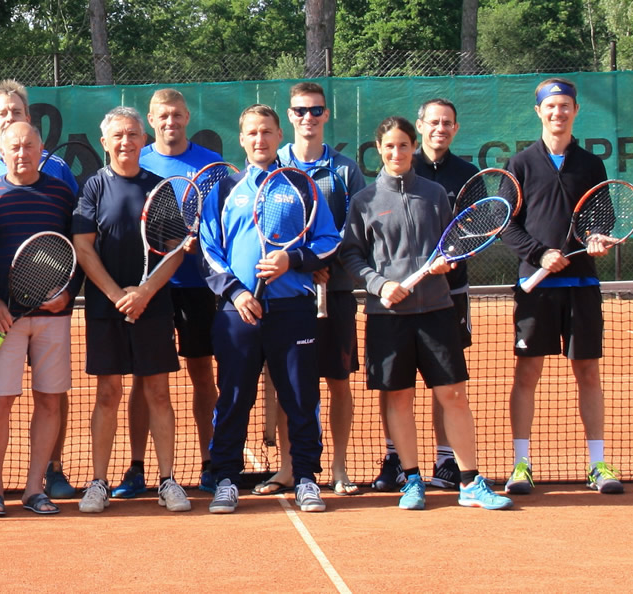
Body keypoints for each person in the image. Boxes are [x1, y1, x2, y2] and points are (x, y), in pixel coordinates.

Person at [338, 116, 514, 511]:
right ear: (378, 151)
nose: (396, 152)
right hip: (388, 316)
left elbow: (452, 246)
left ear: (413, 147)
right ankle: (412, 479)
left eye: (403, 145)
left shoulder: (435, 194)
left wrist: (445, 264)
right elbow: (350, 254)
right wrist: (379, 283)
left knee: (453, 394)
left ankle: (470, 481)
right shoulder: (364, 202)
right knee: (398, 399)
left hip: (436, 310)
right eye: (389, 146)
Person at [199, 105, 338, 514]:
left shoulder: (303, 185)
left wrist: (291, 261)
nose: (260, 139)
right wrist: (236, 293)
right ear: (241, 139)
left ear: (280, 136)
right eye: (252, 133)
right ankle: (225, 479)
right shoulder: (224, 189)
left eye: (267, 132)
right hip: (236, 314)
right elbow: (209, 251)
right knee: (233, 398)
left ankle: (307, 478)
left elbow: (329, 241)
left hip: (292, 310)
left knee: (300, 397)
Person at [501, 78, 623, 495]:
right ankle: (521, 465)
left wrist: (597, 238)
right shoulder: (519, 164)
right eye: (551, 106)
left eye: (565, 105)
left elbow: (601, 216)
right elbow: (506, 226)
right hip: (535, 288)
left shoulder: (591, 164)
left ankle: (597, 465)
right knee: (527, 373)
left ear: (575, 110)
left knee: (588, 372)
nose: (558, 113)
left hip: (582, 282)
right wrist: (538, 254)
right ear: (539, 111)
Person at [0, 80, 80, 501]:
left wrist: (68, 291)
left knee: (51, 395)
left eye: (17, 112)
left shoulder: (61, 181)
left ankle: (47, 475)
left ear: (33, 126)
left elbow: (77, 245)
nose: (12, 121)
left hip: (53, 313)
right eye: (3, 114)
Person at [73, 107, 188, 514]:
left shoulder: (161, 188)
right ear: (104, 143)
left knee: (158, 392)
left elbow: (175, 250)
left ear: (144, 139)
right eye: (118, 136)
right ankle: (99, 481)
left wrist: (144, 293)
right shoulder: (92, 188)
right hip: (106, 310)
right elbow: (84, 246)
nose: (126, 142)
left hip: (153, 308)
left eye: (133, 134)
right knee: (108, 393)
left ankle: (168, 480)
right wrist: (116, 294)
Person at [260, 82, 365, 497]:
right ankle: (288, 466)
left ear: (325, 115)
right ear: (290, 117)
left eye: (316, 110)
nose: (309, 117)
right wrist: (304, 265)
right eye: (301, 110)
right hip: (288, 294)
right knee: (289, 383)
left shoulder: (344, 170)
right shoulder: (274, 164)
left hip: (335, 291)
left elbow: (353, 228)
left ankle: (338, 468)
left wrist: (324, 263)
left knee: (338, 381)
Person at [130, 88, 224, 496]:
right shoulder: (138, 161)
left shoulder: (213, 165)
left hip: (198, 287)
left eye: (177, 115)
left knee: (203, 375)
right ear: (152, 119)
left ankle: (210, 462)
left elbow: (222, 225)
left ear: (188, 117)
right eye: (162, 116)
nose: (170, 122)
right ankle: (136, 468)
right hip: (153, 289)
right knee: (141, 380)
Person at [401, 98, 480, 491]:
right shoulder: (402, 165)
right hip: (404, 295)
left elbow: (477, 228)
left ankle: (447, 460)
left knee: (444, 378)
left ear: (455, 128)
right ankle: (396, 460)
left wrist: (452, 256)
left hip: (450, 292)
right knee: (399, 380)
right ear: (420, 126)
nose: (440, 128)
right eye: (433, 122)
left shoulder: (468, 174)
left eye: (447, 122)